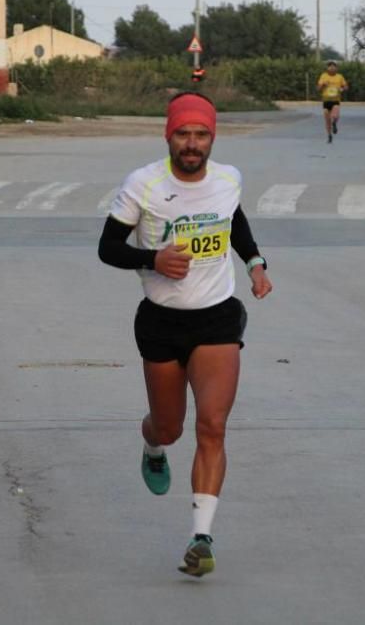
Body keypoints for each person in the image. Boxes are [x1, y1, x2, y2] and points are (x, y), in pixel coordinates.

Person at [98, 92, 274, 576]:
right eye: (183, 134)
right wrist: (152, 258)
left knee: (212, 426)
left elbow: (233, 219)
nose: (192, 144)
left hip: (216, 317)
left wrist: (255, 263)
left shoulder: (228, 179)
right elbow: (108, 247)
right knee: (171, 427)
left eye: (201, 135)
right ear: (168, 136)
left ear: (212, 137)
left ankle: (202, 537)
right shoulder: (144, 184)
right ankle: (152, 444)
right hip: (160, 321)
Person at [317, 61, 348, 143]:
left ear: (336, 68)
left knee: (335, 113)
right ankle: (329, 135)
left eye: (334, 66)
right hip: (326, 100)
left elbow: (346, 87)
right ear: (327, 68)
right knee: (327, 120)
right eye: (330, 66)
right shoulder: (323, 76)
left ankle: (334, 123)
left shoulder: (340, 77)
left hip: (335, 99)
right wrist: (323, 84)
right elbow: (319, 89)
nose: (332, 68)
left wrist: (342, 89)